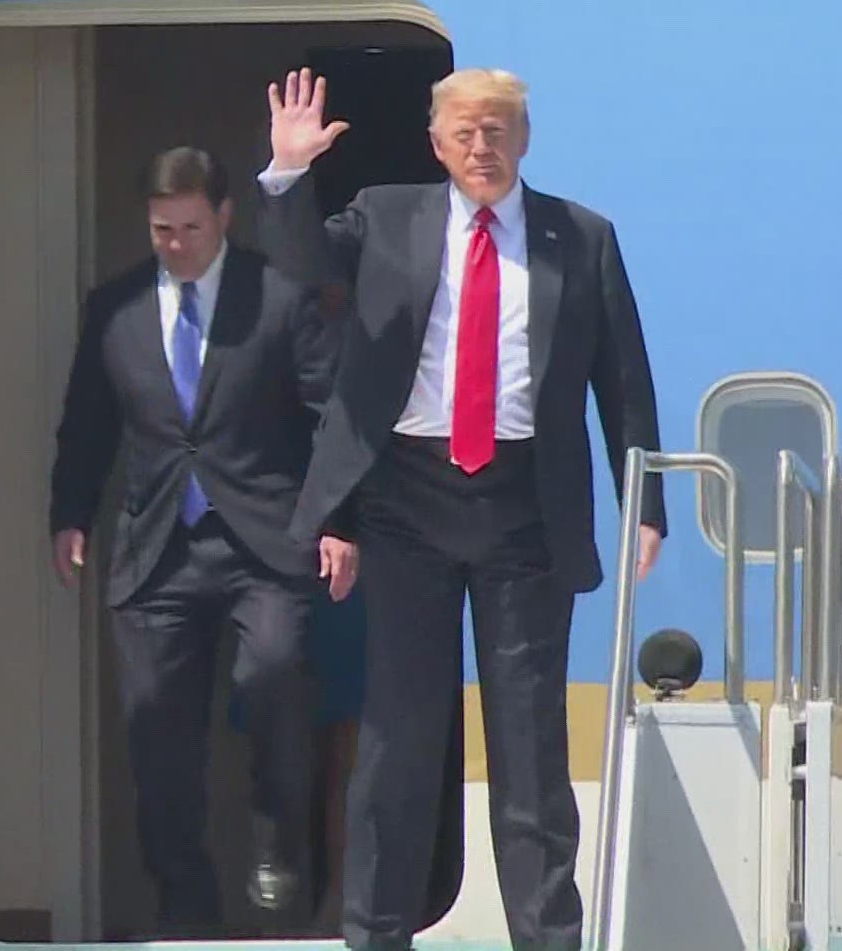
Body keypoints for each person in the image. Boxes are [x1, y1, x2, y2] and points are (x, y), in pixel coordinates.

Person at [254, 67, 669, 951]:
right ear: (438, 144)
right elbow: (299, 267)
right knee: (399, 742)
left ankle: (549, 939)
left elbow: (622, 379)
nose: (483, 148)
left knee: (530, 749)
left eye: (498, 132)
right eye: (465, 134)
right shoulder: (385, 214)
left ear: (524, 140)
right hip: (407, 501)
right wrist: (288, 175)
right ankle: (376, 936)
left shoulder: (581, 237)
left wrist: (647, 499)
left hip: (527, 508)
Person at [48, 145, 356, 938]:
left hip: (265, 540)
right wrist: (69, 514)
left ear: (222, 216)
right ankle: (186, 912)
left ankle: (276, 831)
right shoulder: (112, 309)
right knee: (157, 737)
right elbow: (87, 423)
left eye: (190, 226)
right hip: (157, 549)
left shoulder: (278, 299)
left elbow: (330, 417)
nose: (176, 243)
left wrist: (337, 519)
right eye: (161, 229)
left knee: (275, 674)